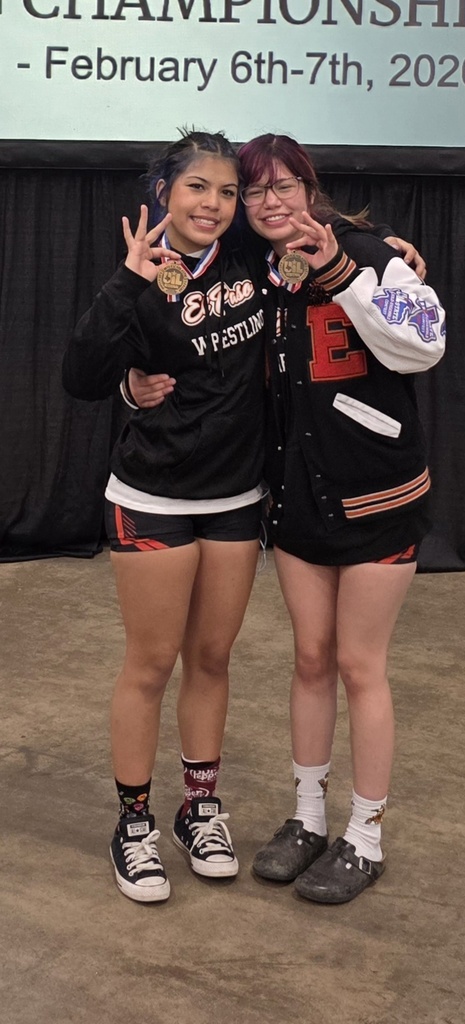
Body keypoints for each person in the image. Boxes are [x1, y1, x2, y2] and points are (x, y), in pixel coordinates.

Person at [129, 133, 445, 905]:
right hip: (298, 503)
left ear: (311, 188)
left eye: (285, 187)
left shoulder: (369, 254)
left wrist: (357, 267)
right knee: (309, 660)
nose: (270, 203)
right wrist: (134, 384)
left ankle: (364, 836)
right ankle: (306, 819)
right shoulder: (254, 269)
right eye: (255, 190)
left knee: (359, 666)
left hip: (378, 498)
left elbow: (423, 346)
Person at [62, 129, 269, 903]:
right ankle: (134, 823)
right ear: (164, 194)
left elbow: (317, 226)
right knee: (150, 664)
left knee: (211, 658)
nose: (213, 204)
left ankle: (201, 809)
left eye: (225, 191)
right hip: (152, 495)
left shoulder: (252, 257)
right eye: (197, 189)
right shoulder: (143, 274)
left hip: (236, 499)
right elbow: (81, 376)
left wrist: (388, 247)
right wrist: (126, 283)